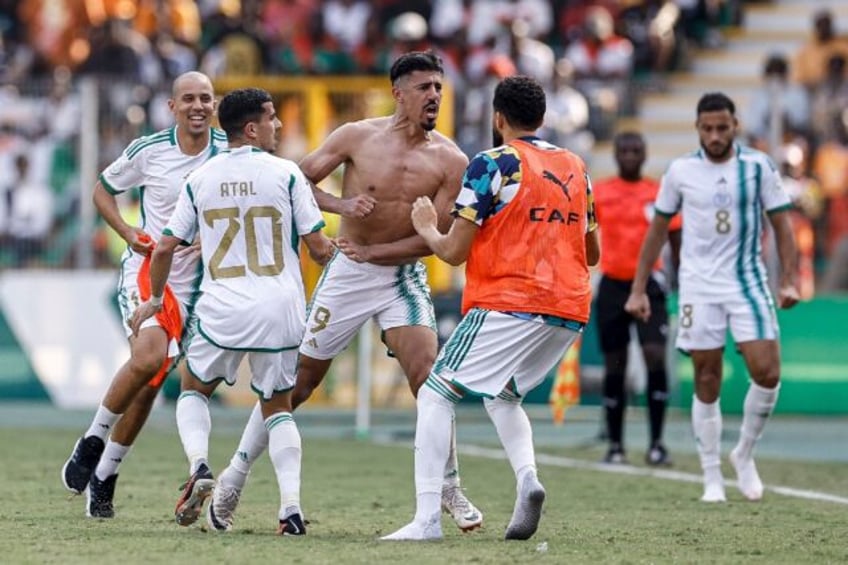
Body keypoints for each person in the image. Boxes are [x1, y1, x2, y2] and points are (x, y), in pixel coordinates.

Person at [204, 50, 483, 534]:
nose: (434, 96)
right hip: (348, 274)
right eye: (424, 87)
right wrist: (341, 203)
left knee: (430, 379)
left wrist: (378, 254)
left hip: (400, 275)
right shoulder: (356, 135)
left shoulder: (451, 160)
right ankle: (233, 478)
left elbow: (432, 235)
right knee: (297, 384)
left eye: (438, 87)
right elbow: (298, 181)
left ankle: (449, 487)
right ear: (398, 92)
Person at [383, 74, 600, 541]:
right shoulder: (575, 166)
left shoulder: (493, 163)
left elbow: (452, 252)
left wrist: (425, 226)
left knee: (437, 392)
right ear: (542, 118)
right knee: (504, 396)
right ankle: (528, 480)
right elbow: (594, 251)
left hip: (510, 299)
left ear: (497, 118)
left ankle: (426, 520)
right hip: (570, 307)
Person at [131, 87, 335, 534]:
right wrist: (338, 250)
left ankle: (200, 465)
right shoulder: (286, 174)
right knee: (277, 406)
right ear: (251, 128)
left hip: (223, 307)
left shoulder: (201, 178)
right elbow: (319, 248)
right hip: (280, 308)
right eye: (272, 118)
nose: (278, 125)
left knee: (192, 389)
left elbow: (165, 245)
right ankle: (291, 510)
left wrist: (154, 297)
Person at [60, 71, 227, 518]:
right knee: (150, 357)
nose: (197, 106)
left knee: (153, 380)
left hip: (197, 284)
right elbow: (102, 190)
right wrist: (127, 231)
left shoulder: (229, 155)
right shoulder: (150, 150)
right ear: (171, 107)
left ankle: (105, 475)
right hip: (148, 273)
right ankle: (91, 441)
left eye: (205, 99)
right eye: (188, 98)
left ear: (215, 105)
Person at [625, 92, 799, 503]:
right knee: (707, 377)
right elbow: (658, 231)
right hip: (699, 285)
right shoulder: (681, 170)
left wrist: (789, 279)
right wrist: (638, 288)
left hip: (747, 282)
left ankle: (744, 453)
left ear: (735, 125)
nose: (715, 135)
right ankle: (711, 476)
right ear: (698, 128)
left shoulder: (758, 166)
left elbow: (783, 226)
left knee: (767, 372)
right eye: (708, 128)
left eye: (723, 128)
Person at [593, 131, 681, 466]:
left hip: (650, 286)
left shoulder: (657, 192)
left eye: (636, 150)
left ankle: (657, 443)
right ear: (616, 155)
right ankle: (616, 446)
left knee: (654, 356)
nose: (630, 155)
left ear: (644, 155)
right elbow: (584, 235)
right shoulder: (601, 191)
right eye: (624, 150)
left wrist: (680, 277)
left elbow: (675, 236)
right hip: (613, 285)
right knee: (614, 367)